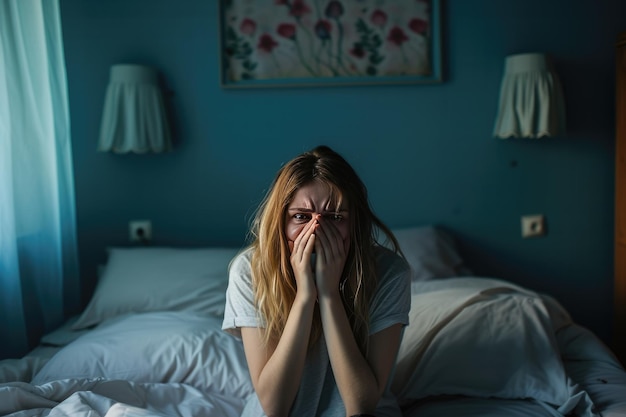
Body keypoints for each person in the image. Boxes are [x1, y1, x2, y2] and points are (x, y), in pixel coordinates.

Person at [222, 145, 411, 417]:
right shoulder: (250, 270)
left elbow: (361, 405)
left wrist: (330, 294)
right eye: (301, 217)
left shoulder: (390, 273)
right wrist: (305, 298)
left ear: (354, 222)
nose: (317, 230)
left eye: (335, 217)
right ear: (281, 222)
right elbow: (274, 406)